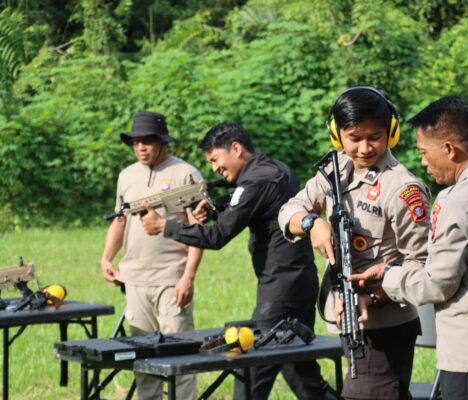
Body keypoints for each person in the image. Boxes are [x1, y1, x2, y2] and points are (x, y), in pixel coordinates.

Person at [346, 96, 468, 400]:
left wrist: (386, 275)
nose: (423, 163)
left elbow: (437, 285)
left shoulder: (454, 202)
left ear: (449, 149)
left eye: (425, 153)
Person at [141, 122, 336, 400]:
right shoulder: (273, 168)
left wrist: (164, 226)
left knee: (252, 369)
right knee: (301, 371)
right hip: (298, 282)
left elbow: (218, 236)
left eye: (215, 160)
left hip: (280, 289)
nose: (214, 168)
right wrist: (215, 206)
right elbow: (249, 204)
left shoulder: (256, 180)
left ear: (236, 148)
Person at [278, 86, 431, 400]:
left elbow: (421, 264)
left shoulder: (403, 188)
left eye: (374, 137)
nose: (364, 148)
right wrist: (312, 223)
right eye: (354, 137)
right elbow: (289, 210)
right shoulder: (336, 170)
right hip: (347, 319)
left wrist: (372, 295)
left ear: (391, 133)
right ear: (337, 135)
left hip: (384, 327)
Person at [100, 111, 202, 400]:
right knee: (143, 360)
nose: (140, 147)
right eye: (135, 142)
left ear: (162, 142)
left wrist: (188, 277)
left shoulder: (186, 174)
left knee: (180, 357)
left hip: (172, 280)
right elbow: (119, 221)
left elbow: (198, 232)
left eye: (147, 141)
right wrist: (107, 258)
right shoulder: (127, 176)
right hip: (134, 280)